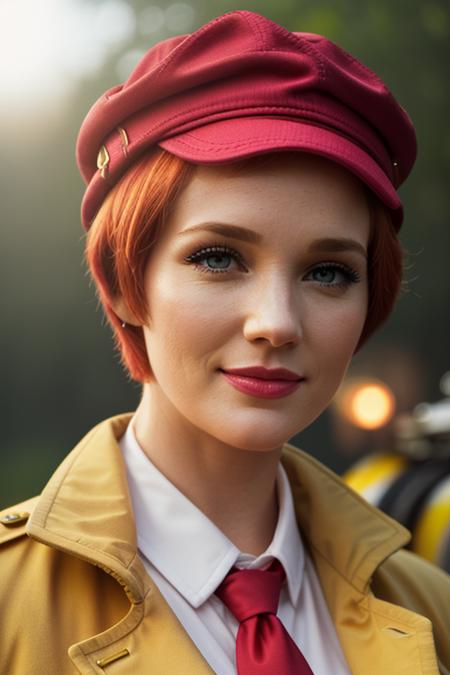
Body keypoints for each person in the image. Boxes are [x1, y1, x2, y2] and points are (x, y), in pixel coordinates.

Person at [1, 10, 449, 675]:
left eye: (328, 272)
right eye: (218, 257)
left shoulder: (433, 607)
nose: (277, 322)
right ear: (125, 281)